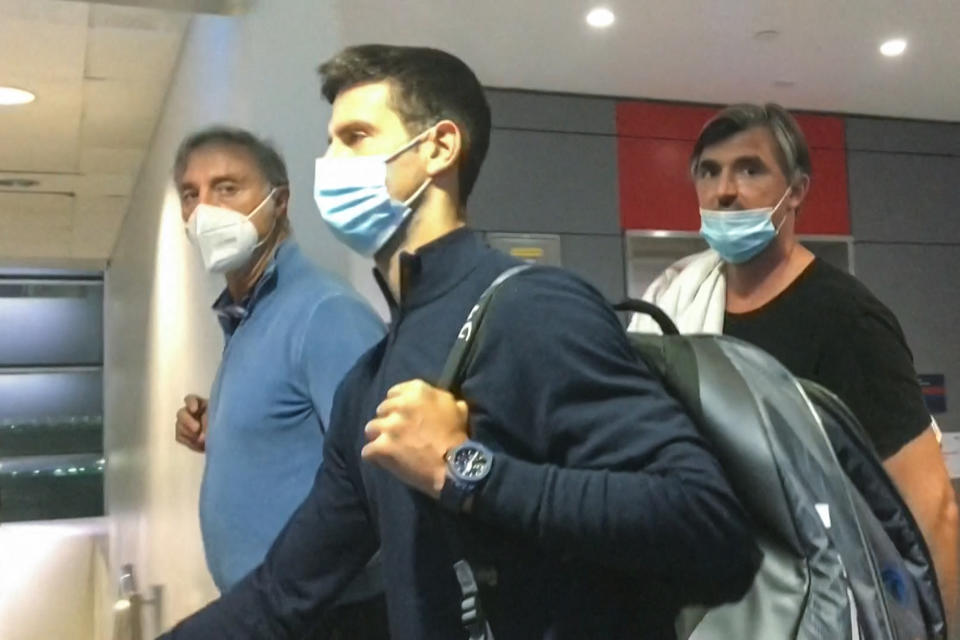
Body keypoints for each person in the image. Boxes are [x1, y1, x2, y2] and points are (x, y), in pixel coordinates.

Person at [160, 45, 761, 640]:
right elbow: (282, 594)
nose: (330, 162)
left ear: (439, 149)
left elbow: (708, 523)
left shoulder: (530, 308)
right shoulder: (370, 379)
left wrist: (464, 469)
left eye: (357, 136)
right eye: (330, 141)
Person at [629, 102, 959, 629]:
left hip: (817, 611)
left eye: (750, 169)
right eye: (708, 172)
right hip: (696, 603)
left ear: (798, 191)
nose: (724, 190)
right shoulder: (675, 299)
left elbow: (933, 510)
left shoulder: (848, 321)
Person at [171, 126, 388, 638]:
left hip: (329, 613)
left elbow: (378, 480)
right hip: (275, 612)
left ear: (279, 202)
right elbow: (304, 433)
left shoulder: (325, 312)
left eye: (227, 188)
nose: (205, 210)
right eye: (190, 193)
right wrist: (225, 429)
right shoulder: (247, 315)